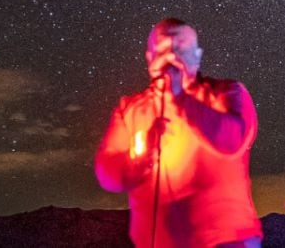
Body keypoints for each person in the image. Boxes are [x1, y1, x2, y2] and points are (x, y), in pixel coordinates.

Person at [95, 18, 262, 248]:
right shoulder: (130, 109)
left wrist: (180, 97)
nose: (171, 57)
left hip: (226, 241)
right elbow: (107, 174)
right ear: (149, 57)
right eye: (163, 48)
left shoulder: (227, 92)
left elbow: (232, 141)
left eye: (180, 47)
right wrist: (143, 160)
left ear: (198, 55)